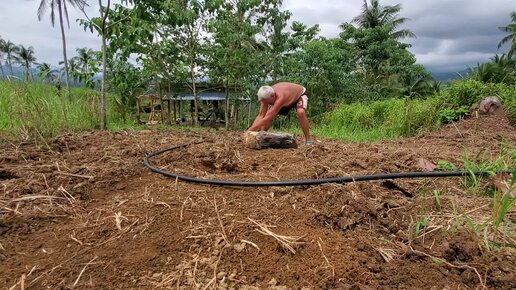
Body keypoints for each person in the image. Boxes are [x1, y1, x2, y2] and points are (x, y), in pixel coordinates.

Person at [244, 82, 313, 145]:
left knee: (301, 112)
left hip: (299, 95)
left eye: (267, 102)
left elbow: (268, 118)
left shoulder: (280, 97)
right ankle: (262, 136)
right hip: (286, 101)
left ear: (273, 96)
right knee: (267, 115)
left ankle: (308, 140)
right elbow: (261, 115)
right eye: (264, 102)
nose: (266, 104)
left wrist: (249, 130)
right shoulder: (265, 96)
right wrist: (252, 132)